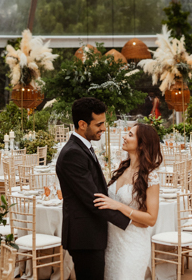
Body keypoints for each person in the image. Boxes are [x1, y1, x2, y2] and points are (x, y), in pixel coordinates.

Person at [56, 97, 130, 280]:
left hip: (91, 234)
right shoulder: (72, 153)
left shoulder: (83, 147)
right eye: (99, 124)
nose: (104, 128)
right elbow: (94, 198)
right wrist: (129, 221)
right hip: (85, 237)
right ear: (82, 124)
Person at [94, 122, 164, 280]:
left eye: (130, 135)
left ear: (141, 144)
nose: (124, 137)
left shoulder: (150, 176)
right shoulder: (123, 168)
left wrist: (118, 206)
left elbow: (151, 219)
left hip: (133, 245)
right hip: (111, 243)